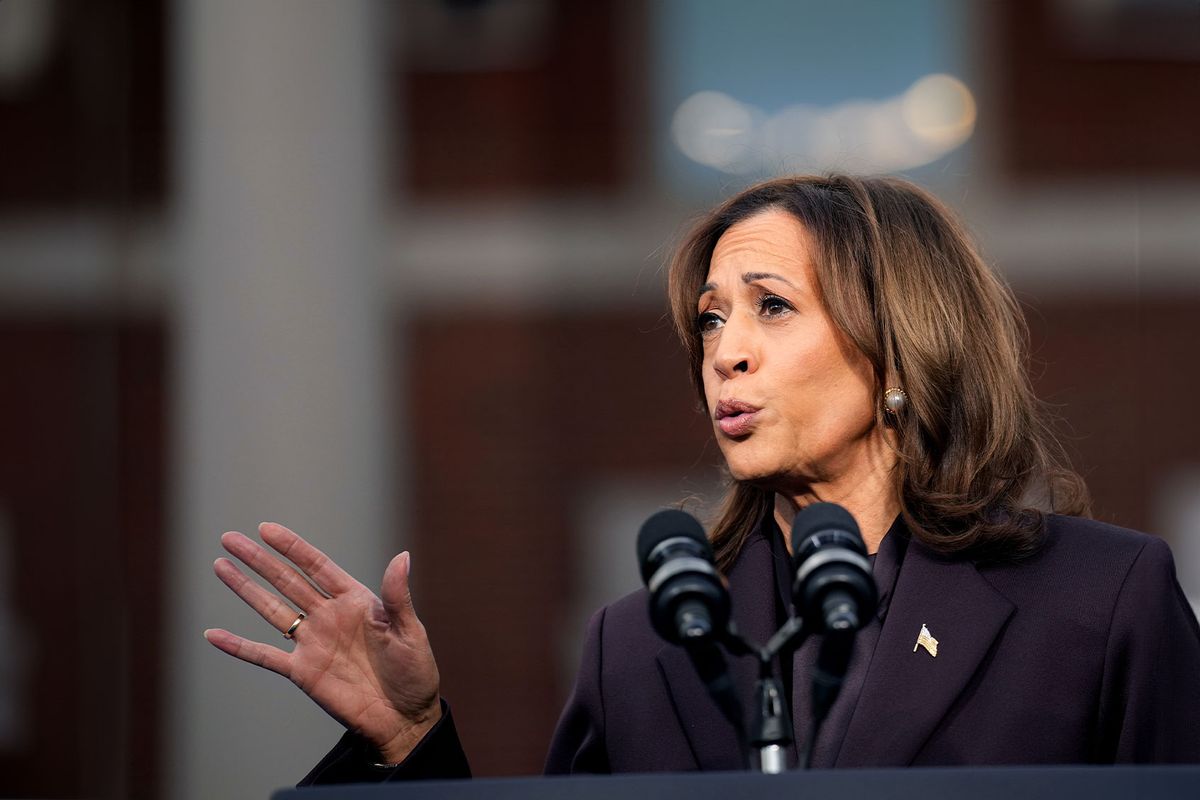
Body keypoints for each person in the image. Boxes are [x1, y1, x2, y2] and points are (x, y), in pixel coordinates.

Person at [205, 175, 1200, 782]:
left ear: (899, 352)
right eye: (712, 318)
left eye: (770, 307)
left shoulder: (1101, 600)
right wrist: (413, 739)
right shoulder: (639, 639)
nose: (724, 351)